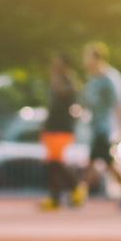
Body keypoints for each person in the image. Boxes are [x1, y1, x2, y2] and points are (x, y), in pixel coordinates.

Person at [73, 42, 121, 209]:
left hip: (106, 127)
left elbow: (119, 104)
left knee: (97, 160)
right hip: (95, 126)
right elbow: (85, 102)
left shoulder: (110, 78)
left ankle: (80, 193)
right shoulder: (92, 79)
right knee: (104, 162)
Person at [40, 54, 80, 212]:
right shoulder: (56, 81)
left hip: (62, 128)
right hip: (52, 127)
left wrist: (56, 76)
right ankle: (55, 197)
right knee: (53, 164)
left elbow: (64, 93)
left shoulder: (69, 82)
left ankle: (74, 187)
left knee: (56, 163)